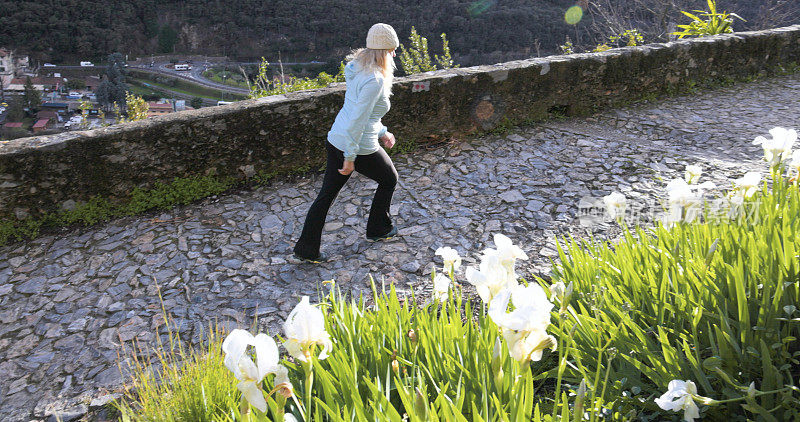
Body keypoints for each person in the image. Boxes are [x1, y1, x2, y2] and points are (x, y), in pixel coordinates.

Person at [293, 23, 401, 263]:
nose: (395, 54)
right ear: (385, 51)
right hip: (357, 145)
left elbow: (362, 112)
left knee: (326, 195)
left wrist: (383, 131)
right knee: (389, 179)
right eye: (392, 50)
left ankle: (306, 248)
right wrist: (350, 158)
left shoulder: (357, 67)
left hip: (336, 138)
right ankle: (378, 230)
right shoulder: (375, 80)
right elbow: (358, 121)